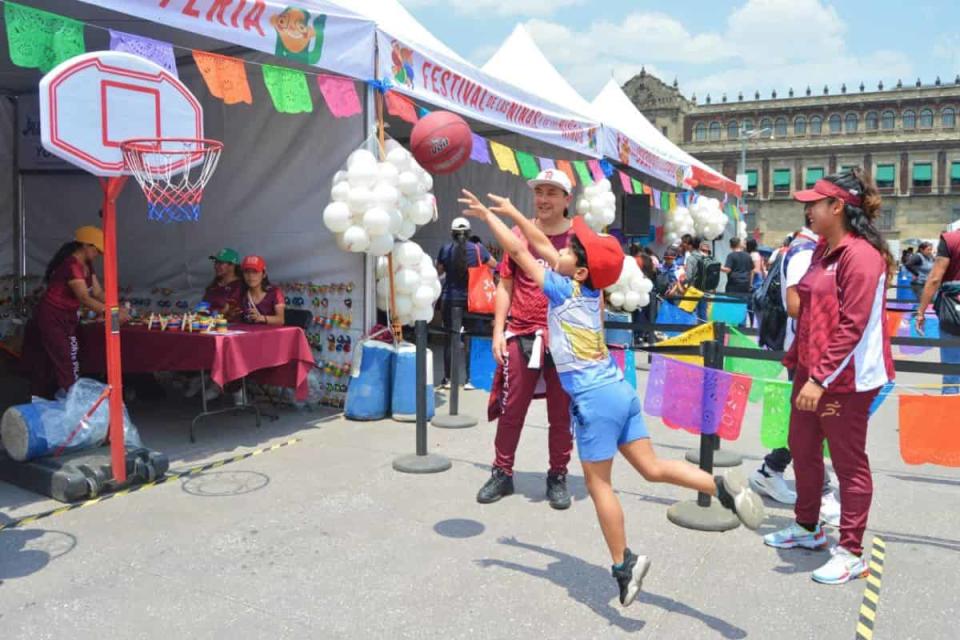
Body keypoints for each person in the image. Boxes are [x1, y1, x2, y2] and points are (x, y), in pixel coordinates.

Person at [460, 189, 764, 606]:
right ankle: (721, 486)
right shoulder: (587, 291)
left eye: (572, 249)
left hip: (595, 402)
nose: (561, 248)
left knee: (600, 485)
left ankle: (625, 563)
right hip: (619, 391)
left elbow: (519, 246)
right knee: (652, 468)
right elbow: (543, 244)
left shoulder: (561, 290)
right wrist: (513, 209)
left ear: (580, 269)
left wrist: (490, 217)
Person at [763, 169, 894, 585]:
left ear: (837, 206)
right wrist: (803, 366)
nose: (807, 208)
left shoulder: (862, 256)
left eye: (814, 202)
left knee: (848, 460)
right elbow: (800, 301)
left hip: (846, 378)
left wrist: (819, 378)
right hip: (811, 370)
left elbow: (852, 328)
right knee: (802, 448)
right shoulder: (822, 249)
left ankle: (852, 550)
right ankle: (808, 527)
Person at [475, 168, 575, 510]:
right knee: (511, 407)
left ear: (566, 200)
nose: (544, 199)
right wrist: (498, 331)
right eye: (539, 192)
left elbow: (595, 294)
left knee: (561, 414)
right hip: (522, 333)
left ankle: (558, 475)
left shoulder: (578, 240)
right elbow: (506, 284)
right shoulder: (517, 232)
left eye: (552, 192)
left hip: (565, 339)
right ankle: (502, 471)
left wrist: (596, 342)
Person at [749, 221, 841, 526]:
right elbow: (794, 305)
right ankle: (821, 491)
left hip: (811, 347)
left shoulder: (811, 249)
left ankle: (771, 469)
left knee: (808, 420)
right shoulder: (804, 253)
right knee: (810, 423)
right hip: (806, 349)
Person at [21, 226, 128, 398]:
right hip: (52, 316)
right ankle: (70, 399)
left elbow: (98, 293)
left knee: (70, 354)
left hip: (68, 316)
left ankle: (59, 395)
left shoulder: (87, 265)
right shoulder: (71, 265)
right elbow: (85, 298)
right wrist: (113, 314)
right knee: (66, 358)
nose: (97, 254)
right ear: (85, 245)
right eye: (96, 249)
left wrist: (117, 307)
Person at [436, 217, 497, 389]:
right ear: (469, 233)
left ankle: (448, 379)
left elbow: (438, 270)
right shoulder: (478, 249)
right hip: (473, 300)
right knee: (471, 339)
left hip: (450, 298)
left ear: (452, 233)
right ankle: (471, 379)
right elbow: (494, 264)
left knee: (450, 339)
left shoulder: (446, 249)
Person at [915, 228, 960, 395]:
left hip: (953, 313)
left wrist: (921, 312)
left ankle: (950, 416)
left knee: (951, 372)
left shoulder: (951, 239)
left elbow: (934, 279)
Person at [240, 255, 285, 325]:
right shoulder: (242, 293)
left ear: (264, 274)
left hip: (271, 335)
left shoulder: (275, 292)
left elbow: (280, 320)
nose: (250, 276)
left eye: (255, 272)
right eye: (247, 272)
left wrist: (261, 318)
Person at [204, 248, 243, 320]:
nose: (216, 266)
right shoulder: (214, 285)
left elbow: (231, 312)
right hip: (208, 325)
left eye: (221, 263)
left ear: (232, 265)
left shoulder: (240, 286)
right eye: (216, 262)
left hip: (230, 328)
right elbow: (202, 308)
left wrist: (212, 312)